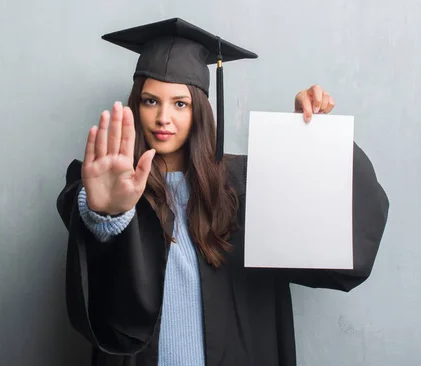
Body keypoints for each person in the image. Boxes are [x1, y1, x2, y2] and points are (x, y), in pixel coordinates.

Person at [56, 18, 389, 366]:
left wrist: (310, 141)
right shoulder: (114, 182)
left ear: (200, 109)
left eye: (180, 104)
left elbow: (332, 240)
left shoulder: (244, 185)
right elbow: (82, 209)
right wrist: (107, 215)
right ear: (136, 106)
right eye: (150, 101)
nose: (163, 118)